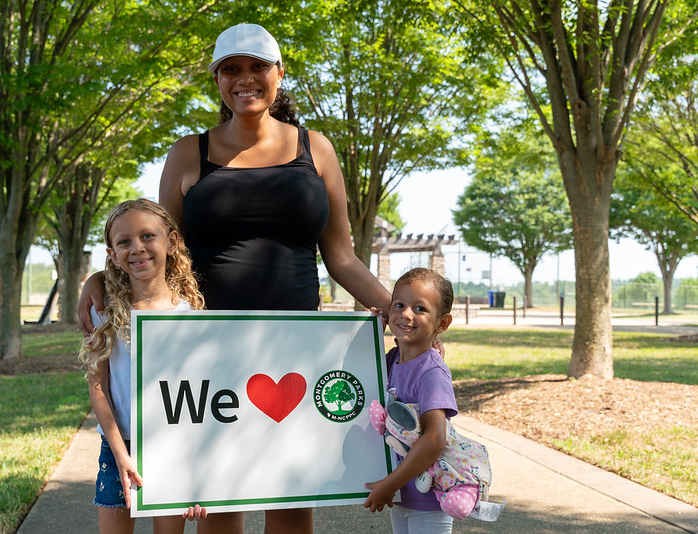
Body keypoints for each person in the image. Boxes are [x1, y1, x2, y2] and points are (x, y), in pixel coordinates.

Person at [79, 22, 392, 534]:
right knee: (218, 503)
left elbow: (342, 258)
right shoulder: (187, 152)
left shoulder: (318, 149)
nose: (245, 79)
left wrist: (399, 312)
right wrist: (100, 275)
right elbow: (156, 244)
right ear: (218, 81)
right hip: (205, 352)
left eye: (257, 67)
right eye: (231, 69)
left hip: (297, 348)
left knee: (291, 503)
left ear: (279, 74)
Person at [78, 198, 207, 533]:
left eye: (147, 236)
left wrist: (195, 473)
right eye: (124, 242)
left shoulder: (190, 315)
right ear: (112, 255)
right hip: (117, 446)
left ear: (172, 242)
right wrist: (121, 454)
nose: (137, 248)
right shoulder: (103, 314)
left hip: (173, 446)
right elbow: (98, 388)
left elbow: (197, 397)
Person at [364, 268, 485, 534]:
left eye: (420, 308)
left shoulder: (431, 372)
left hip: (429, 498)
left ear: (441, 324)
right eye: (399, 305)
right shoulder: (391, 360)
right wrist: (371, 333)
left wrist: (389, 484)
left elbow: (434, 439)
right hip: (403, 495)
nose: (406, 314)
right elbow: (360, 376)